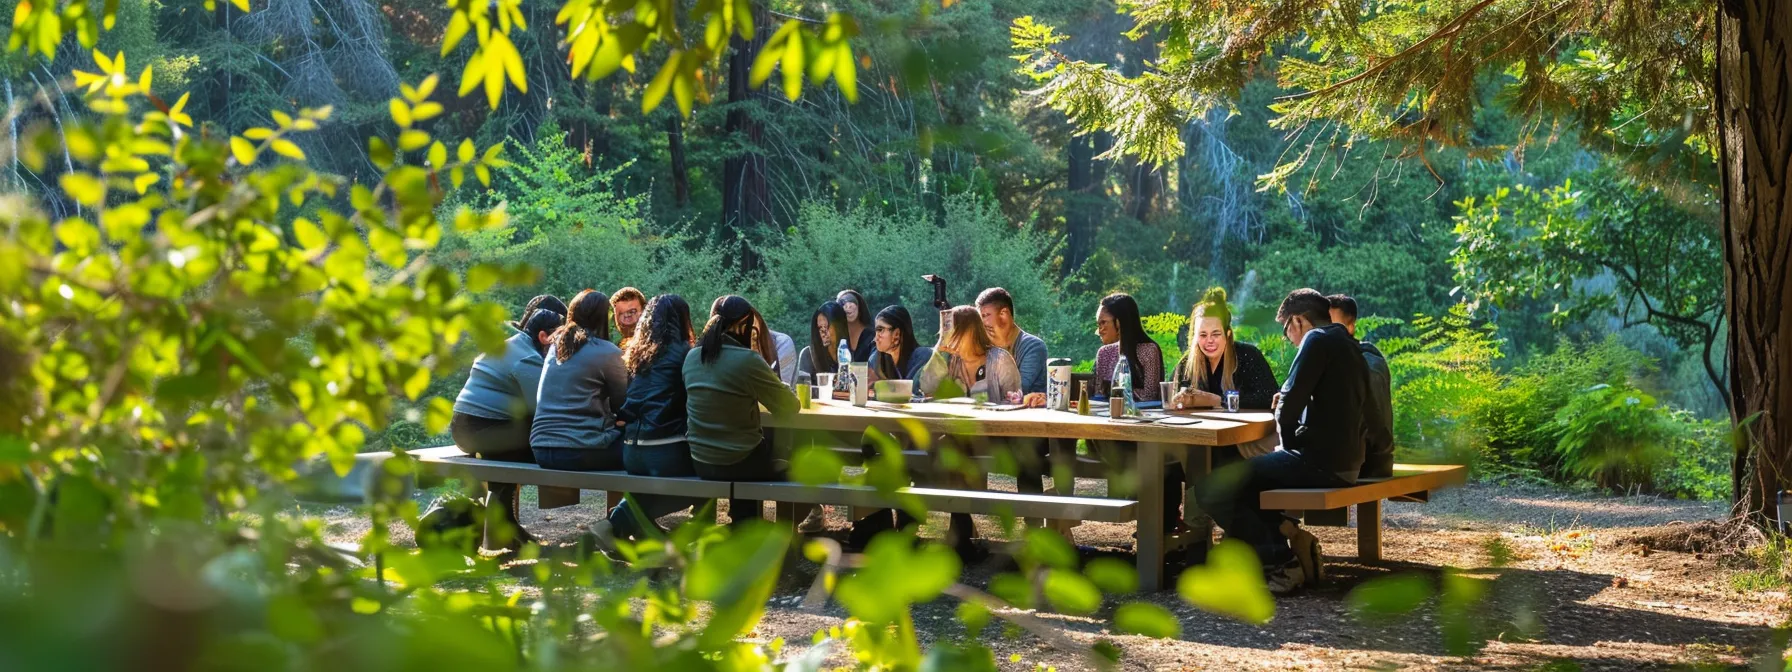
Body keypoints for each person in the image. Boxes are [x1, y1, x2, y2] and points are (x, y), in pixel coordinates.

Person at [1195, 288, 1368, 594]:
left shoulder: (1316, 340)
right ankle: (1286, 533)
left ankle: (1282, 562)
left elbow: (1286, 409)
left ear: (1298, 321)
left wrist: (1286, 449)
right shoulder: (1348, 344)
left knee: (1211, 490)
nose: (1288, 338)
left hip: (1316, 461)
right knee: (1244, 482)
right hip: (1347, 461)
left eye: (1287, 329)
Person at [449, 298, 564, 551]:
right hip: (483, 429)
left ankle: (507, 528)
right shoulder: (528, 359)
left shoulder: (509, 346)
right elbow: (542, 409)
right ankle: (503, 531)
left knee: (520, 448)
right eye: (559, 337)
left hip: (465, 427)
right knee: (549, 448)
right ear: (544, 337)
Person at [588, 294, 699, 548]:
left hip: (632, 450)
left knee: (663, 480)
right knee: (707, 471)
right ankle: (699, 533)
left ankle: (621, 524)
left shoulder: (636, 354)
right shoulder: (686, 355)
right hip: (665, 449)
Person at [916, 305, 1023, 559]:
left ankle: (959, 531)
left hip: (997, 438)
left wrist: (1011, 401)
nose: (949, 337)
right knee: (943, 445)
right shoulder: (951, 362)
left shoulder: (999, 359)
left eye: (953, 332)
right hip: (960, 438)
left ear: (969, 331)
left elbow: (1015, 399)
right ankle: (959, 529)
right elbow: (926, 387)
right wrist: (939, 350)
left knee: (949, 446)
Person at [685, 295, 801, 525]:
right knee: (780, 456)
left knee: (744, 445)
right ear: (742, 325)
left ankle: (740, 524)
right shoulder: (747, 360)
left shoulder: (691, 357)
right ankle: (771, 534)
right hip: (740, 461)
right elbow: (789, 407)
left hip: (700, 459)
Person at [532, 290, 630, 471]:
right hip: (580, 450)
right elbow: (625, 406)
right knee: (643, 450)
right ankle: (624, 501)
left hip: (541, 450)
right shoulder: (607, 352)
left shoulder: (555, 347)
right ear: (602, 318)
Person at [1172, 287, 1280, 412]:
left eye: (1216, 334)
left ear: (1227, 334)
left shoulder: (1248, 355)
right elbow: (1171, 397)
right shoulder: (1186, 364)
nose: (1209, 340)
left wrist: (1217, 400)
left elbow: (1269, 398)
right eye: (1203, 335)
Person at [1329, 293, 1394, 479]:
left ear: (1350, 327)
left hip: (1367, 464)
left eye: (1333, 326)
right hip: (1364, 461)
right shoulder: (1338, 359)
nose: (1325, 332)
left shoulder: (1366, 361)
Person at [975, 287, 1049, 405]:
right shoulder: (985, 347)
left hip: (1028, 418)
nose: (982, 323)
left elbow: (1015, 393)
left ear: (1004, 315)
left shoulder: (1034, 346)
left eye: (985, 315)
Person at [1094, 293, 1165, 402]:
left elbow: (1150, 395)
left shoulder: (1148, 350)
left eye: (1103, 323)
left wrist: (1115, 391)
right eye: (1098, 324)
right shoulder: (1103, 353)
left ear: (1119, 322)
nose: (1099, 331)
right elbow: (1099, 395)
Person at [867, 305, 932, 382]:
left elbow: (912, 390)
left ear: (897, 334)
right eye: (876, 331)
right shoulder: (875, 360)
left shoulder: (923, 356)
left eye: (880, 330)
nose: (875, 338)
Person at [796, 301, 851, 383]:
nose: (823, 333)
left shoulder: (851, 352)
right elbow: (802, 388)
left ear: (839, 327)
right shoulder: (808, 355)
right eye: (820, 328)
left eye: (826, 327)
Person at [836, 289, 877, 362]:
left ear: (859, 306)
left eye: (851, 301)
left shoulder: (873, 335)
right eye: (842, 302)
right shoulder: (835, 336)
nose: (848, 306)